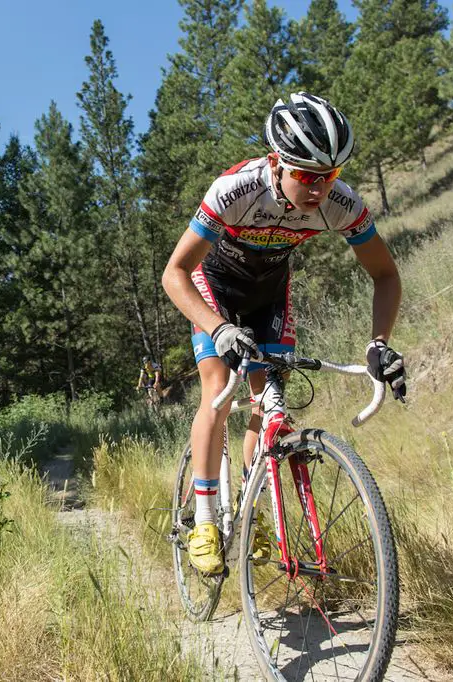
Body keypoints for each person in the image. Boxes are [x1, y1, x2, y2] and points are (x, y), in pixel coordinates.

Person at [160, 92, 407, 574]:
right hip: (213, 286)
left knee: (268, 401)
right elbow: (175, 272)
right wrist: (217, 328)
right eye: (307, 176)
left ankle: (250, 510)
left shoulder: (339, 203)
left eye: (329, 176)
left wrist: (379, 343)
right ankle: (206, 519)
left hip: (269, 293)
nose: (318, 189)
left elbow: (386, 275)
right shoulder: (236, 189)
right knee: (218, 389)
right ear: (277, 162)